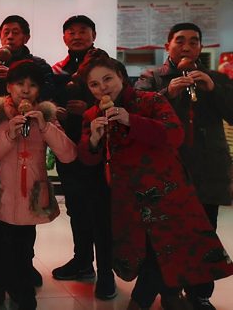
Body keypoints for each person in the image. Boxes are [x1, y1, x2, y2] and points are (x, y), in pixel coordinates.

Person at [77, 48, 233, 310]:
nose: (102, 88)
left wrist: (131, 121)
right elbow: (87, 157)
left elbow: (175, 135)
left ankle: (140, 303)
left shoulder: (150, 101)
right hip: (126, 196)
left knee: (167, 246)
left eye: (107, 79)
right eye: (94, 84)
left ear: (120, 76)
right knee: (146, 248)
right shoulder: (92, 115)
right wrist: (93, 139)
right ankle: (169, 295)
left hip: (166, 190)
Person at [135, 22, 233, 310]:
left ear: (200, 48)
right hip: (165, 170)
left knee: (203, 234)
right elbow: (136, 113)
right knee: (162, 236)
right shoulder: (151, 77)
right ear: (168, 46)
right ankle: (166, 291)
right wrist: (168, 93)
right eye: (180, 41)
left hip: (207, 170)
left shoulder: (216, 78)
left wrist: (213, 88)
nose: (186, 47)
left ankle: (199, 294)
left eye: (193, 41)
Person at [0, 60, 77, 310]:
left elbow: (69, 155)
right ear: (9, 86)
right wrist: (9, 134)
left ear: (39, 90)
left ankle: (13, 280)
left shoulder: (46, 114)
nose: (26, 90)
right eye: (20, 84)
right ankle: (9, 285)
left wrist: (46, 127)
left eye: (32, 85)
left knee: (23, 245)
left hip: (31, 194)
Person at [0, 15, 55, 286]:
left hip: (31, 148)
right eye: (6, 31)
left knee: (25, 216)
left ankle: (24, 265)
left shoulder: (38, 65)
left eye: (16, 32)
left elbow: (50, 90)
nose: (10, 36)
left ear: (26, 37)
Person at [51, 15, 115, 300]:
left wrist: (88, 106)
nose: (77, 36)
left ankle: (107, 273)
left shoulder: (106, 67)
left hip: (100, 149)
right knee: (76, 209)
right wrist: (56, 111)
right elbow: (49, 99)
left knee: (101, 213)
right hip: (69, 150)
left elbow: (117, 98)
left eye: (83, 31)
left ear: (94, 35)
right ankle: (83, 262)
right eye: (71, 32)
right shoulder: (57, 70)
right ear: (64, 37)